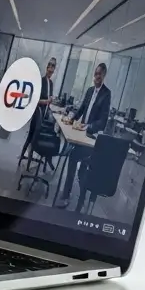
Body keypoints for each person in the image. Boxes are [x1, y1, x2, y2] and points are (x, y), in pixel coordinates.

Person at [54, 62, 112, 209]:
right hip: (81, 134)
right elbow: (82, 109)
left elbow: (103, 121)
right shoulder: (90, 90)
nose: (96, 76)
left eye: (99, 74)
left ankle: (67, 196)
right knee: (81, 167)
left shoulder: (106, 94)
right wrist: (71, 119)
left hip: (91, 138)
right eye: (96, 73)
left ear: (104, 75)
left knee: (74, 159)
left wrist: (88, 126)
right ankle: (80, 197)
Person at [19, 57, 57, 167]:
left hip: (44, 114)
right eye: (50, 65)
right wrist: (46, 101)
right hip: (37, 113)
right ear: (47, 67)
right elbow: (34, 100)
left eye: (53, 66)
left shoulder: (51, 83)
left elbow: (49, 98)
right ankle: (26, 160)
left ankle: (47, 159)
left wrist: (51, 101)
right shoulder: (41, 81)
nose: (51, 68)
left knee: (48, 132)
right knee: (32, 136)